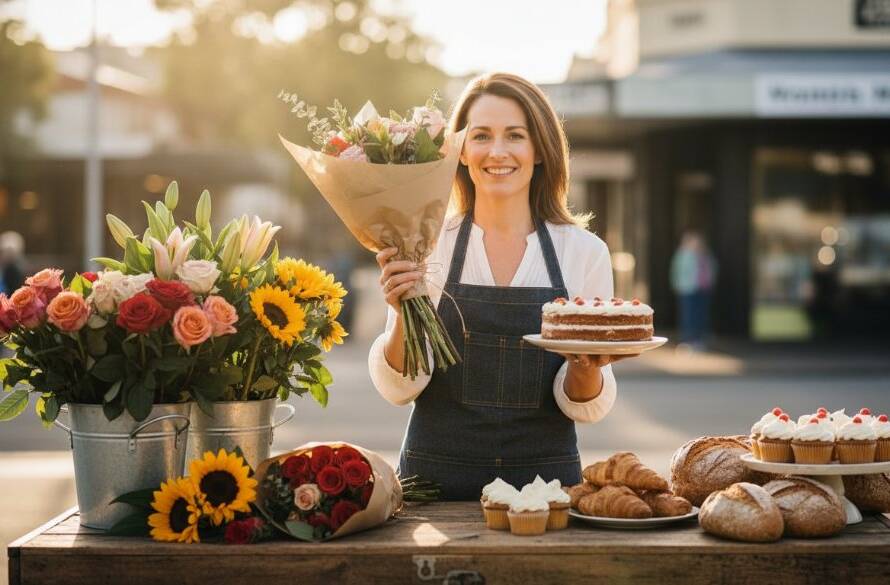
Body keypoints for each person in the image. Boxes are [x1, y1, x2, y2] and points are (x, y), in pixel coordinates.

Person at [368, 73, 638, 500]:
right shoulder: (425, 242)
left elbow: (583, 406)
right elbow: (399, 388)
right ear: (459, 151)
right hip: (433, 489)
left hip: (547, 491)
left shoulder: (584, 253)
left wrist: (587, 365)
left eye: (515, 135)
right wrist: (402, 312)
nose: (497, 152)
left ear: (540, 151)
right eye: (480, 136)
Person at [669, 230, 717, 349]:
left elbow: (712, 269)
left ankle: (699, 339)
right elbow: (676, 271)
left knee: (700, 315)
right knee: (688, 315)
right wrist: (677, 285)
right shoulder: (683, 254)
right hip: (687, 289)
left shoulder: (705, 254)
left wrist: (710, 283)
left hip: (702, 289)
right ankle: (688, 340)